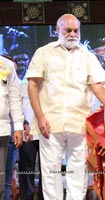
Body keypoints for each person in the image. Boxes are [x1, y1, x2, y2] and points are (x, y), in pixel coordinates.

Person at [26, 14, 105, 199]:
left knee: (78, 171)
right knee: (51, 172)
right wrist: (40, 117)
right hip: (50, 121)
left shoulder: (87, 56)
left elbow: (97, 86)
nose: (73, 34)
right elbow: (32, 85)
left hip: (79, 122)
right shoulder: (44, 52)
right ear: (58, 30)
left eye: (76, 30)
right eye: (68, 30)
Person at [9, 46, 44, 200]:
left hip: (44, 132)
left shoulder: (44, 84)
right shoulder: (18, 85)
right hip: (25, 133)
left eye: (25, 60)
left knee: (46, 170)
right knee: (26, 170)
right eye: (20, 60)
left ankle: (45, 196)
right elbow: (17, 108)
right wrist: (24, 125)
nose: (23, 63)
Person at [0, 55, 23, 199]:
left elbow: (14, 97)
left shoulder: (6, 64)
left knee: (1, 182)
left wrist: (19, 126)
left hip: (1, 130)